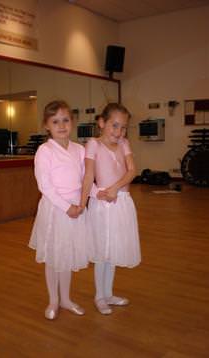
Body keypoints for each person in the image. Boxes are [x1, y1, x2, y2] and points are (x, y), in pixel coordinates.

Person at [29, 100, 88, 320]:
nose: (61, 125)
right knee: (54, 257)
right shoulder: (45, 151)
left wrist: (94, 196)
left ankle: (66, 298)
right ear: (47, 125)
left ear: (72, 122)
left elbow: (86, 180)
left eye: (65, 120)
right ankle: (53, 300)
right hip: (56, 210)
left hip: (76, 209)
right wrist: (67, 208)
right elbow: (45, 186)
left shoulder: (79, 149)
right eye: (55, 121)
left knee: (67, 256)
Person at [80, 102, 141, 315]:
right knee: (102, 252)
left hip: (121, 201)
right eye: (115, 125)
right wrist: (93, 193)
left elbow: (132, 170)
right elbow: (87, 175)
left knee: (113, 250)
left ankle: (109, 293)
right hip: (103, 203)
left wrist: (115, 188)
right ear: (101, 123)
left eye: (123, 127)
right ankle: (99, 296)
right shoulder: (93, 144)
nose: (119, 131)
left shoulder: (124, 143)